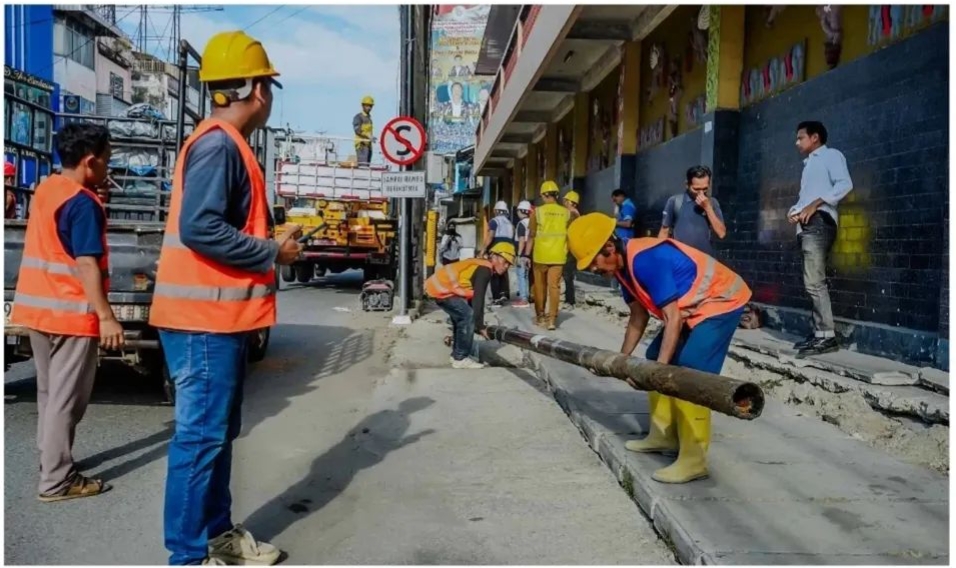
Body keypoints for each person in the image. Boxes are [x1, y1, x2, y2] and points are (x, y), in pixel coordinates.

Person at [149, 30, 303, 566]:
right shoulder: (219, 145)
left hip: (215, 320)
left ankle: (217, 539)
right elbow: (200, 228)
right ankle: (189, 557)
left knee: (214, 437)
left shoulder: (221, 142)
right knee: (200, 441)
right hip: (203, 322)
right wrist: (271, 252)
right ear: (258, 89)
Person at [567, 213, 752, 484]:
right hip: (693, 307)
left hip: (722, 300)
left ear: (608, 247)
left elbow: (672, 318)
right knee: (654, 356)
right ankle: (662, 435)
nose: (593, 270)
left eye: (593, 262)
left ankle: (694, 459)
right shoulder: (623, 269)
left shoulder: (645, 260)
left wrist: (657, 372)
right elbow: (637, 318)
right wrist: (620, 359)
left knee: (691, 372)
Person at [10, 123, 123, 502]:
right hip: (71, 315)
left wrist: (94, 196)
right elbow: (86, 264)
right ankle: (56, 480)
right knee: (66, 400)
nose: (108, 168)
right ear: (90, 162)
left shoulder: (48, 189)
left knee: (48, 393)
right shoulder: (82, 204)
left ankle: (51, 462)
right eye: (106, 162)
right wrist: (106, 315)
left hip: (40, 312)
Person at [788, 120, 853, 358]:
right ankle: (818, 334)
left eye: (800, 138)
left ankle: (827, 335)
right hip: (807, 225)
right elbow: (806, 198)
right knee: (811, 281)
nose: (797, 143)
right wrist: (795, 210)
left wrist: (815, 203)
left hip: (820, 223)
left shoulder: (831, 156)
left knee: (814, 281)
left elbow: (845, 184)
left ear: (814, 138)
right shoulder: (809, 166)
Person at [425, 242, 515, 369]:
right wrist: (480, 326)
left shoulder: (480, 265)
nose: (506, 266)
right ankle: (460, 358)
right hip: (442, 289)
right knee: (467, 316)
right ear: (494, 257)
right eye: (504, 261)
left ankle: (457, 354)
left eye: (509, 264)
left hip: (439, 288)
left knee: (460, 318)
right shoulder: (485, 269)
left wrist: (478, 324)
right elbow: (479, 299)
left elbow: (473, 298)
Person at [529, 180, 571, 330]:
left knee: (539, 287)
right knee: (555, 287)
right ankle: (552, 320)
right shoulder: (567, 213)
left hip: (540, 255)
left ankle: (540, 317)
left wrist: (525, 255)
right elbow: (570, 234)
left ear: (543, 195)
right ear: (556, 195)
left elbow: (532, 235)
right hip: (558, 255)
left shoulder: (537, 212)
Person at [659, 165, 727, 256]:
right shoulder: (675, 201)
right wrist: (660, 256)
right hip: (681, 259)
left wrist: (708, 208)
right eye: (696, 189)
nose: (701, 193)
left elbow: (721, 233)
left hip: (705, 260)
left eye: (705, 188)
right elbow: (664, 232)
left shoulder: (712, 203)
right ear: (687, 184)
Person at [482, 200, 514, 304]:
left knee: (495, 272)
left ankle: (496, 298)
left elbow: (491, 236)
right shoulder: (509, 223)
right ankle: (504, 293)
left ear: (496, 211)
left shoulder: (494, 221)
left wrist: (483, 250)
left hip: (498, 249)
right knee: (503, 272)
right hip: (509, 251)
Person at [562, 190, 581, 309]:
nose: (564, 202)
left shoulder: (572, 214)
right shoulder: (575, 214)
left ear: (570, 202)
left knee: (567, 275)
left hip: (569, 249)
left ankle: (570, 301)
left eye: (565, 200)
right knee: (567, 274)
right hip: (570, 248)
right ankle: (568, 299)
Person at [514, 200, 533, 308]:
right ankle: (527, 295)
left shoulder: (521, 224)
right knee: (526, 276)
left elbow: (521, 240)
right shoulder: (531, 222)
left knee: (521, 275)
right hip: (530, 252)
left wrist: (519, 254)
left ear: (521, 211)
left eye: (518, 211)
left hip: (523, 253)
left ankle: (523, 299)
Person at [353, 95, 375, 166]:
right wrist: (368, 136)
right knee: (363, 167)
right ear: (362, 106)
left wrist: (371, 137)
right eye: (367, 106)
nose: (369, 108)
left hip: (368, 145)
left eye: (370, 106)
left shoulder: (369, 118)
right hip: (361, 145)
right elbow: (357, 130)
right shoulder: (358, 117)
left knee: (367, 166)